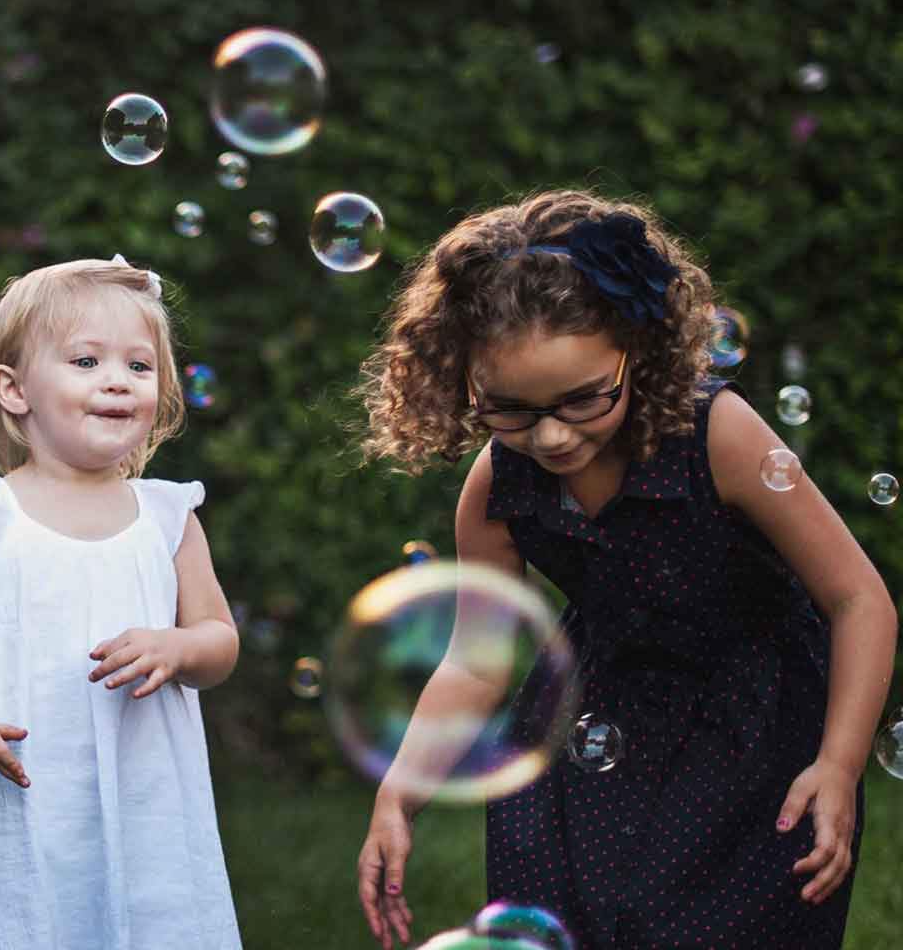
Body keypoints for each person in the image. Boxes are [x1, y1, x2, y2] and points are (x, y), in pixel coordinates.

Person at [351, 190, 895, 948]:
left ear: (637, 349)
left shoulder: (719, 436)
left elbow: (857, 598)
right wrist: (400, 795)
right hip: (587, 727)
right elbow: (477, 663)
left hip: (752, 725)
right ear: (462, 380)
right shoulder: (497, 485)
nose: (548, 435)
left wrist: (837, 766)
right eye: (507, 408)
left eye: (581, 400)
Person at [0, 256, 243, 948]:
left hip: (143, 796)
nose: (117, 380)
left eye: (140, 367)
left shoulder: (167, 517)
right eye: (86, 361)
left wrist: (180, 646)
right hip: (12, 797)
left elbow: (219, 639)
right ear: (13, 388)